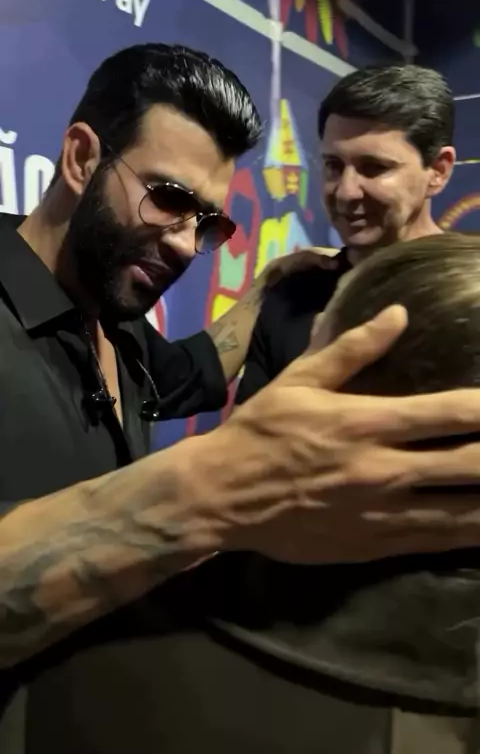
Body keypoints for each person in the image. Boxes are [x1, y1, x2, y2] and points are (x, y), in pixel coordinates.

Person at [2, 45, 480, 753]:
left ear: (439, 170)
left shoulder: (118, 324)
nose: (184, 244)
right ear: (80, 158)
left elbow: (187, 375)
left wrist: (263, 290)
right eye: (168, 199)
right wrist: (212, 491)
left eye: (207, 222)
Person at [236, 63, 456, 398]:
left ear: (438, 171)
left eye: (374, 167)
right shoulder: (291, 295)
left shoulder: (468, 291)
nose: (345, 192)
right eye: (333, 166)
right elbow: (250, 427)